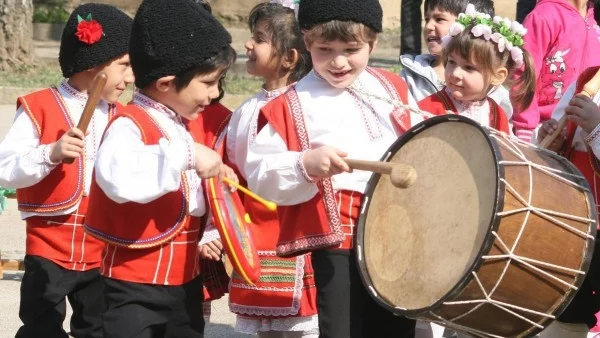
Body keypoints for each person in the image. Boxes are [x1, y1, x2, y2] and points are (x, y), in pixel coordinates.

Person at [243, 0, 420, 336]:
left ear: (373, 43)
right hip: (340, 239)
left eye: (351, 49)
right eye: (325, 49)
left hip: (398, 230)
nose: (339, 62)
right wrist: (304, 164)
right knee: (344, 326)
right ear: (307, 42)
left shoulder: (393, 88)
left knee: (395, 327)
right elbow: (261, 174)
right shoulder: (292, 103)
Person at [83, 0, 236, 336]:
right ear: (166, 83)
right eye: (209, 82)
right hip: (133, 285)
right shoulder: (130, 124)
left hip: (184, 281)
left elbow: (191, 198)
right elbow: (118, 177)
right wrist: (189, 154)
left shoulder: (178, 123)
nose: (214, 94)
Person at [0, 4, 133, 337]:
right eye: (124, 66)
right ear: (94, 64)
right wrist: (51, 153)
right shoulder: (39, 106)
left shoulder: (124, 115)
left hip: (102, 242)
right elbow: (5, 170)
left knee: (99, 326)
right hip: (49, 244)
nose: (130, 78)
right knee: (41, 326)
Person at [220, 1, 318, 337]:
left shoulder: (307, 106)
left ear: (289, 58)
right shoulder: (245, 111)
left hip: (295, 234)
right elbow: (229, 172)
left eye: (260, 39)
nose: (248, 44)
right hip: (252, 235)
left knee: (306, 329)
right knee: (265, 329)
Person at [533, 67, 600, 338]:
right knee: (569, 305)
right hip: (577, 216)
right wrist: (551, 137)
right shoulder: (588, 80)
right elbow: (560, 135)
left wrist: (596, 127)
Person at [417, 3, 535, 135]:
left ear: (498, 76)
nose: (455, 73)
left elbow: (503, 153)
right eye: (451, 62)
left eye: (468, 67)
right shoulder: (429, 108)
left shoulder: (497, 116)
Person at [400, 0, 514, 120]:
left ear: (471, 28)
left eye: (439, 19)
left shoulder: (498, 100)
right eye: (427, 19)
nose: (428, 26)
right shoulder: (411, 78)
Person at [511, 0, 600, 142]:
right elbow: (524, 74)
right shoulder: (543, 16)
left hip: (584, 134)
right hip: (543, 131)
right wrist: (525, 128)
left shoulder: (596, 20)